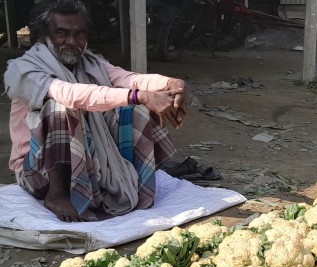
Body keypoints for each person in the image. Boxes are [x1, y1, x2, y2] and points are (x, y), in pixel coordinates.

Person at [4, 0, 188, 222]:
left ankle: (135, 184)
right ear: (44, 36)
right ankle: (58, 194)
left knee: (138, 107)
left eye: (79, 34)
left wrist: (170, 83)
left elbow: (128, 78)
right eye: (62, 33)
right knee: (60, 108)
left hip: (86, 158)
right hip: (37, 169)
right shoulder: (23, 69)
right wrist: (139, 95)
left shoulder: (90, 62)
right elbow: (69, 93)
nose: (72, 41)